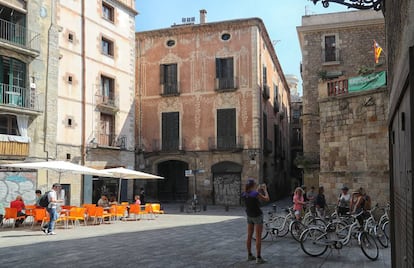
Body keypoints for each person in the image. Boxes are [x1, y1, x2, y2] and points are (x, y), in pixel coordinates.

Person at [241, 179, 269, 264]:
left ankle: (249, 255)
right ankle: (258, 257)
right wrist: (265, 190)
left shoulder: (244, 194)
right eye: (255, 184)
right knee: (258, 237)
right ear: (253, 185)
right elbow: (267, 199)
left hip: (249, 216)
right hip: (257, 216)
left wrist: (257, 190)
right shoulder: (256, 194)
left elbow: (252, 195)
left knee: (249, 236)